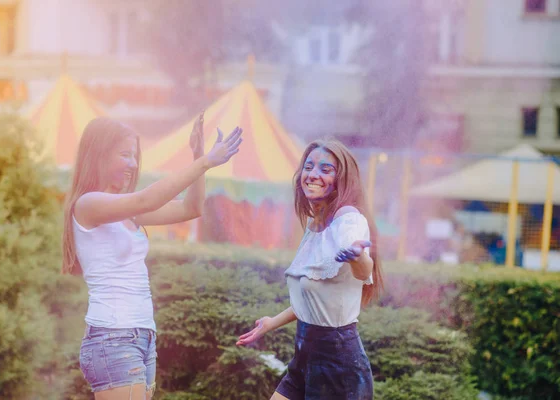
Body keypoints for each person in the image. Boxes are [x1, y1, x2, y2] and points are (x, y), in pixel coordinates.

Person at [61, 113, 242, 400]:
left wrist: (198, 155)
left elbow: (191, 208)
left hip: (141, 336)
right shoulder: (88, 204)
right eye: (124, 154)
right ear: (98, 155)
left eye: (134, 156)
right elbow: (147, 198)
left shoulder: (129, 211)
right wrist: (205, 161)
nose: (133, 164)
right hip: (113, 338)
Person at [237, 139, 383, 400]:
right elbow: (317, 298)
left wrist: (358, 256)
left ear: (342, 180)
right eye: (309, 167)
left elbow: (363, 272)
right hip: (305, 357)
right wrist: (271, 323)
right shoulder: (315, 226)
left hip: (337, 366)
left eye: (326, 169)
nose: (313, 174)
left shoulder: (348, 219)